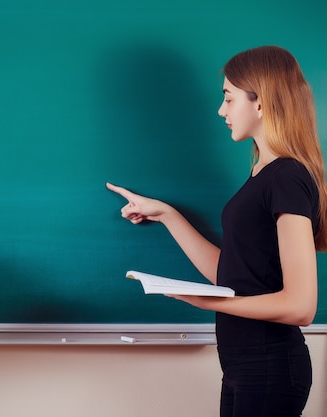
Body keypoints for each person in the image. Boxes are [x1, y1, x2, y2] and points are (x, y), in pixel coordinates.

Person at [107, 45, 327, 417]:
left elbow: (301, 306)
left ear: (261, 103)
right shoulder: (263, 175)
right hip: (244, 367)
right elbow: (230, 274)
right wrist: (166, 215)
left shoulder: (287, 177)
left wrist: (210, 302)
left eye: (228, 98)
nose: (221, 111)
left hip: (270, 367)